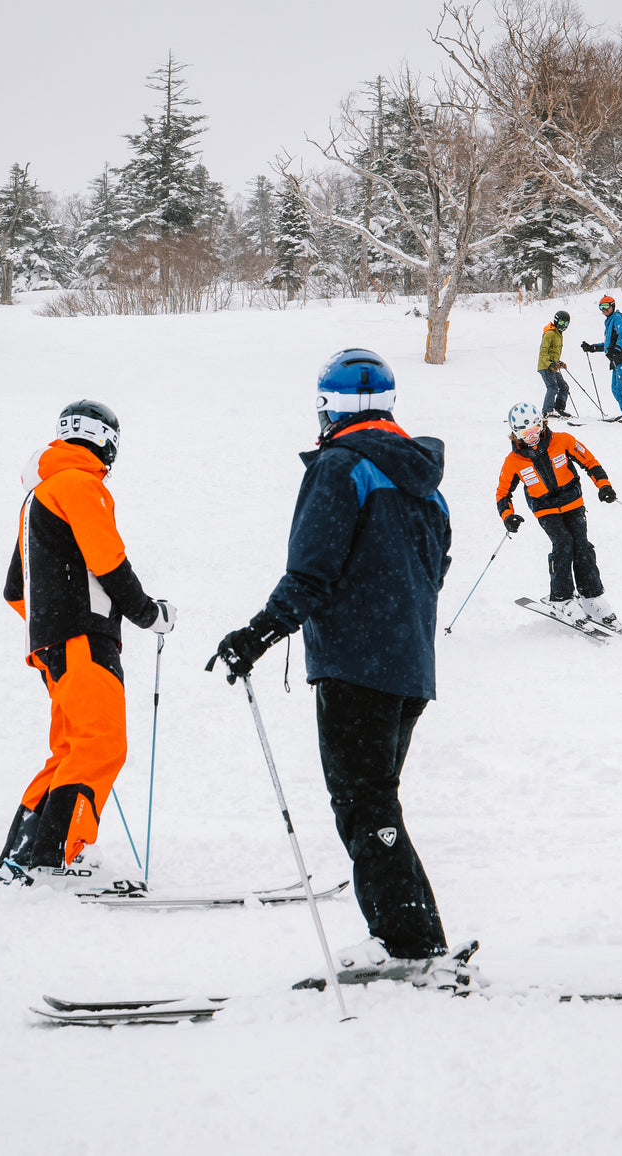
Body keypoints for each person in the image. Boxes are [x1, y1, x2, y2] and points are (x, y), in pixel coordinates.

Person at [209, 348, 469, 991]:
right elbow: (437, 567)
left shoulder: (340, 466)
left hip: (358, 662)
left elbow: (313, 569)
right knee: (374, 797)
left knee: (362, 799)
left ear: (331, 408)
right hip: (409, 665)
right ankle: (410, 933)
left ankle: (408, 942)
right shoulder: (423, 480)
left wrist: (258, 634)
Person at [0, 400, 176, 889]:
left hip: (53, 647)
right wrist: (148, 614)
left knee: (69, 751)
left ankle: (25, 853)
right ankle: (52, 858)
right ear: (107, 441)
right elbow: (108, 559)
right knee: (101, 745)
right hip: (82, 642)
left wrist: (49, 628)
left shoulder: (39, 494)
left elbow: (17, 590)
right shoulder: (81, 485)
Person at [497, 401, 618, 625]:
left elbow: (590, 462)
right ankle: (561, 599)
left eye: (534, 430)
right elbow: (503, 493)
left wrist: (604, 486)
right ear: (515, 434)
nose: (531, 436)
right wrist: (508, 516)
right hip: (545, 509)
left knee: (582, 545)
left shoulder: (563, 441)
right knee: (563, 543)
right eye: (524, 433)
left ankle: (591, 596)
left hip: (573, 502)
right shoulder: (513, 461)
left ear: (542, 424)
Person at [581, 295, 622, 421]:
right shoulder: (609, 322)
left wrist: (616, 350)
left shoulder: (617, 318)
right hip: (616, 359)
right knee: (615, 388)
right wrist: (592, 348)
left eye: (606, 306)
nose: (604, 309)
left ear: (613, 306)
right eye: (601, 307)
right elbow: (608, 344)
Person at [537, 309, 572, 418]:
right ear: (556, 321)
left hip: (552, 367)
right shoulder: (550, 334)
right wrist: (550, 364)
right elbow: (543, 352)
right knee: (552, 387)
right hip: (545, 366)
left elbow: (553, 353)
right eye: (562, 323)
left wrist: (559, 363)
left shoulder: (559, 334)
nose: (564, 326)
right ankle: (547, 411)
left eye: (566, 324)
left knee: (564, 387)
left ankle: (559, 408)